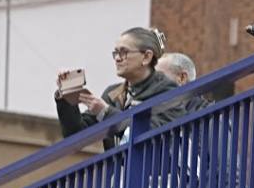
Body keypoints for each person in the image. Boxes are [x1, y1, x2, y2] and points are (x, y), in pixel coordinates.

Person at [55, 27, 186, 150]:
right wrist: (66, 95)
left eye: (124, 52)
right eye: (116, 53)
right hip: (120, 173)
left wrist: (105, 113)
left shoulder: (168, 91)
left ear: (146, 57)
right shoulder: (113, 94)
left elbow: (154, 134)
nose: (117, 58)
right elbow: (76, 136)